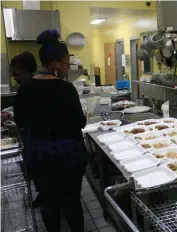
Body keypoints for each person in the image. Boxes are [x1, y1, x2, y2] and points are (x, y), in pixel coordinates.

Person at [14, 29, 87, 232]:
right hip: (68, 154)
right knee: (72, 202)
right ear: (55, 63)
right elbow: (78, 123)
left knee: (49, 202)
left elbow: (21, 120)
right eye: (65, 63)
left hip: (39, 154)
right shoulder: (66, 89)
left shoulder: (26, 88)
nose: (67, 67)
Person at [10, 52, 42, 208]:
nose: (14, 78)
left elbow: (24, 119)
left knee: (37, 170)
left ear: (27, 70)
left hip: (34, 138)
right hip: (36, 138)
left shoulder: (27, 89)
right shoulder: (38, 85)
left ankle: (44, 197)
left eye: (16, 74)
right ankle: (44, 195)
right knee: (38, 172)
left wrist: (14, 124)